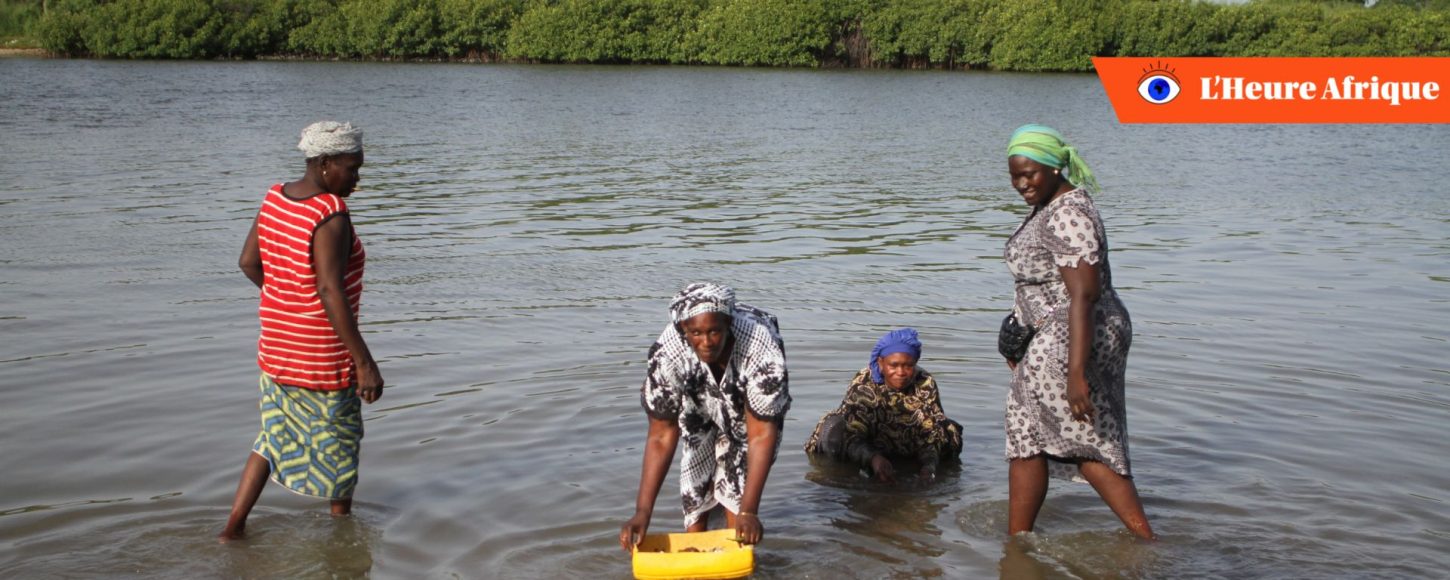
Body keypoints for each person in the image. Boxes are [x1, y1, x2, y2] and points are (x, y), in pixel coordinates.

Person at [219, 121, 384, 541]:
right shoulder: (330, 213)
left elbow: (248, 263)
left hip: (276, 346)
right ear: (326, 164)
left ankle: (233, 528)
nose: (357, 179)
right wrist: (364, 363)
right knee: (342, 447)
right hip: (321, 354)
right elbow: (330, 289)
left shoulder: (274, 197)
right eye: (352, 169)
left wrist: (289, 303)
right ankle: (340, 542)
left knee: (271, 436)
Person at [1000, 124, 1153, 539]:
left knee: (1083, 437)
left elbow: (1084, 295)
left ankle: (1148, 542)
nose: (1021, 184)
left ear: (1054, 167)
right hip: (1052, 335)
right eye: (1015, 175)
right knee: (1027, 434)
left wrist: (1075, 373)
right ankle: (1019, 545)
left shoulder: (1069, 212)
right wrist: (1018, 328)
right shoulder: (1049, 206)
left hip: (1073, 336)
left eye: (1029, 173)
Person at [619, 283, 790, 551]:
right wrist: (643, 512)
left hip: (750, 406)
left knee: (738, 500)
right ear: (683, 331)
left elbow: (760, 434)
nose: (707, 342)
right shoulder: (668, 353)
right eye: (696, 333)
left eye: (714, 331)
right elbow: (662, 435)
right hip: (697, 400)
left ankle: (736, 556)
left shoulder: (759, 345)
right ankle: (696, 556)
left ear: (728, 324)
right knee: (695, 490)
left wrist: (749, 511)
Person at [804, 328, 963, 483]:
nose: (900, 372)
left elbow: (932, 433)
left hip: (905, 440)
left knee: (948, 430)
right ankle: (838, 474)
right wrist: (873, 459)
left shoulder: (925, 383)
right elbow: (852, 434)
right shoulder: (864, 384)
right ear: (881, 363)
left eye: (908, 366)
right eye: (893, 365)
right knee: (835, 427)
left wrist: (929, 466)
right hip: (869, 441)